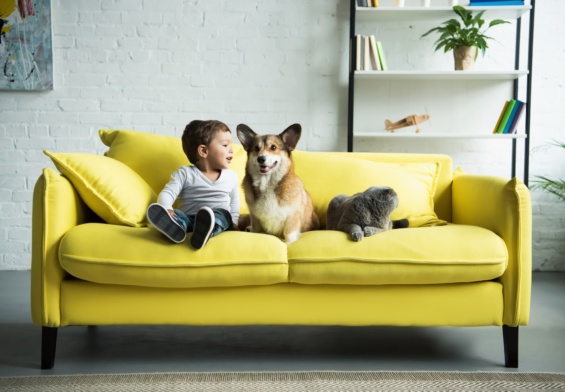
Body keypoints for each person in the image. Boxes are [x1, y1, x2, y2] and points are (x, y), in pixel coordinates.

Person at [147, 120, 239, 250]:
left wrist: (235, 221)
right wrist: (167, 208)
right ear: (203, 151)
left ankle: (208, 230)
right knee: (179, 214)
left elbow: (234, 202)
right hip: (190, 219)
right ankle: (177, 226)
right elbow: (168, 192)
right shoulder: (185, 173)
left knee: (224, 214)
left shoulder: (231, 176)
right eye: (225, 145)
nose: (231, 150)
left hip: (218, 219)